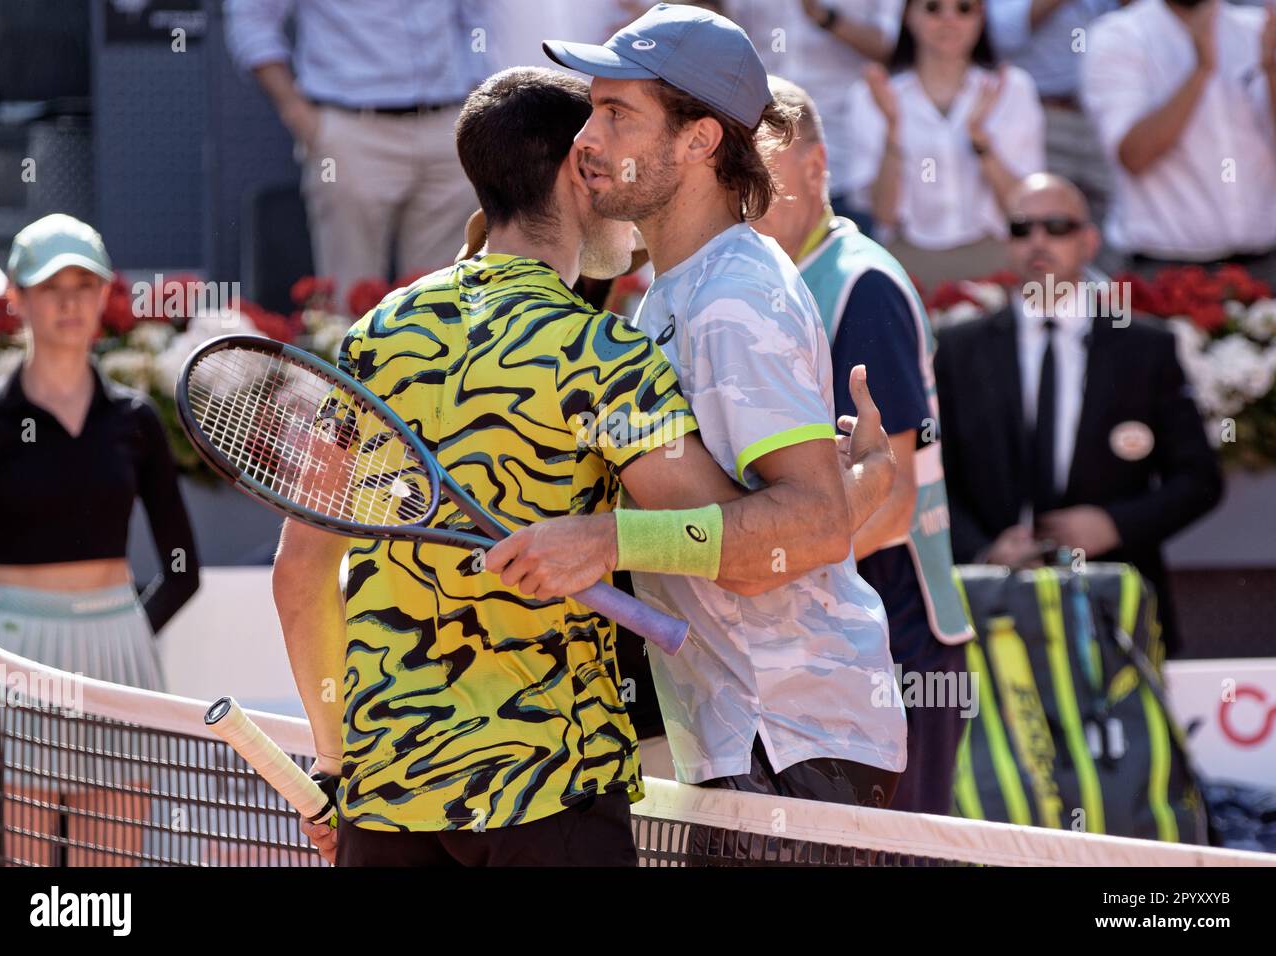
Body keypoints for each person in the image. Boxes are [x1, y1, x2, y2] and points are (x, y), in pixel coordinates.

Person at [276, 65, 896, 867]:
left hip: (389, 796)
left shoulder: (376, 334)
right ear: (577, 170)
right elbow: (744, 551)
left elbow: (300, 572)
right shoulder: (600, 354)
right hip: (550, 790)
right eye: (596, 142)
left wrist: (335, 764)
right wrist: (858, 489)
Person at [516, 3, 908, 815]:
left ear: (700, 141)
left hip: (791, 737)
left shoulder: (735, 295)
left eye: (617, 113)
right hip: (752, 736)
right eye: (593, 109)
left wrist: (602, 541)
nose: (587, 138)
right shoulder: (672, 291)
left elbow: (808, 528)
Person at [755, 76, 973, 814]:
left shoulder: (860, 286)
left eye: (767, 178)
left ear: (817, 169)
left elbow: (895, 501)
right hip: (834, 633)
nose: (748, 199)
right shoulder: (773, 282)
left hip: (898, 635)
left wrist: (756, 564)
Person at [0, 213, 200, 864]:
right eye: (51, 285)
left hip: (119, 662)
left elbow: (182, 565)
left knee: (107, 897)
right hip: (12, 663)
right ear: (16, 297)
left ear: (106, 296)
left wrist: (123, 628)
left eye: (86, 283)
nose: (71, 301)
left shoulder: (135, 419)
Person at [934, 174, 1223, 657]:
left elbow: (1199, 479)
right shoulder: (961, 351)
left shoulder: (1144, 347)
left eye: (1057, 226)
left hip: (1119, 608)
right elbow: (933, 477)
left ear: (1089, 241)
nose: (1039, 241)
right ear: (1007, 243)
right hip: (994, 610)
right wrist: (984, 552)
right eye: (1023, 228)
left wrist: (1114, 524)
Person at [224, 0, 483, 312]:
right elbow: (251, 17)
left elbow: (479, 16)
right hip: (353, 125)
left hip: (448, 122)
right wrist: (297, 112)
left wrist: (476, 97)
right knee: (350, 299)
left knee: (442, 301)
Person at [844, 0, 1046, 286]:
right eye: (933, 7)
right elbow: (883, 215)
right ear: (908, 16)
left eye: (964, 8)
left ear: (981, 17)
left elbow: (1023, 207)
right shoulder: (870, 95)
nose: (949, 20)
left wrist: (980, 141)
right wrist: (893, 130)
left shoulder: (1012, 87)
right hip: (909, 260)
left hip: (994, 257)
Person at [1079, 0, 1276, 288]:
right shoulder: (1119, 35)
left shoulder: (1260, 28)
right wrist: (1201, 70)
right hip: (1164, 272)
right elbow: (1135, 155)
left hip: (1266, 266)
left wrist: (1272, 69)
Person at [726, 0, 903, 230]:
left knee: (845, 257)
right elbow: (726, 33)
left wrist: (824, 15)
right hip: (759, 153)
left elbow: (890, 44)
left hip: (843, 157)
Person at [985, 0, 1118, 225]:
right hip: (1045, 117)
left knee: (1111, 225)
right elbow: (1004, 35)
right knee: (1048, 221)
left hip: (1101, 116)